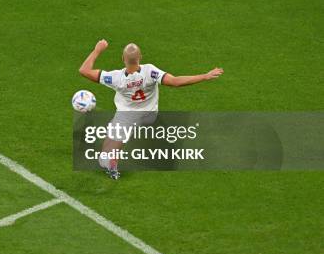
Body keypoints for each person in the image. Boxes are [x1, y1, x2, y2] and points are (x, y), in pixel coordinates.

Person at [79, 40, 224, 179]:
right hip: (150, 116)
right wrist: (205, 76)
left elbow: (84, 70)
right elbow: (175, 82)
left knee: (104, 155)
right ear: (140, 57)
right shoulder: (150, 72)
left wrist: (97, 50)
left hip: (127, 117)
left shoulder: (115, 78)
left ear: (122, 58)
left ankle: (112, 161)